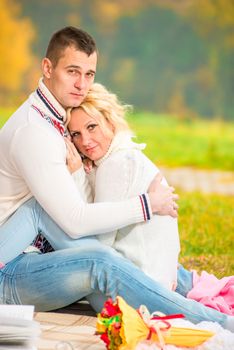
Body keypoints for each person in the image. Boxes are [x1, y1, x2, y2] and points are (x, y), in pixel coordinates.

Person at [0, 26, 233, 332]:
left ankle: (174, 286)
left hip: (32, 250)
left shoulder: (53, 117)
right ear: (47, 68)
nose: (81, 84)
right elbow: (75, 220)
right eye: (72, 71)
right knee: (103, 261)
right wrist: (147, 204)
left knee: (117, 259)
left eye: (89, 74)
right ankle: (220, 323)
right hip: (11, 268)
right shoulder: (35, 131)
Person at [67, 82, 180, 291]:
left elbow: (97, 245)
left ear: (110, 122)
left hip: (131, 291)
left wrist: (76, 177)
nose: (85, 141)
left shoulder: (116, 164)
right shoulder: (124, 155)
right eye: (76, 134)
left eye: (92, 127)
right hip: (154, 282)